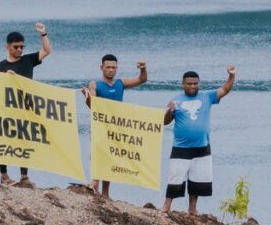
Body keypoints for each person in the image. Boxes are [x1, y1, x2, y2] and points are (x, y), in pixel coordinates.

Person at [162, 66, 236, 215]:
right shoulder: (176, 100)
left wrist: (231, 76)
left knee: (198, 179)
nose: (192, 86)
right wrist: (169, 111)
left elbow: (224, 90)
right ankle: (166, 206)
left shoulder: (207, 96)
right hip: (180, 147)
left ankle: (192, 208)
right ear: (183, 84)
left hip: (201, 146)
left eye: (195, 83)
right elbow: (165, 122)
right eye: (189, 84)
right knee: (175, 177)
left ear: (199, 84)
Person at [0, 22, 52, 186]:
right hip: (7, 109)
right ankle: (4, 175)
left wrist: (43, 33)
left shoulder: (28, 60)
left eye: (22, 47)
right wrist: (8, 77)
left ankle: (24, 176)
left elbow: (47, 51)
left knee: (24, 141)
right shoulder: (1, 66)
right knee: (4, 141)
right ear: (7, 47)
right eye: (16, 47)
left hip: (26, 108)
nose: (20, 50)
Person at [81, 54, 147, 198]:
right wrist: (87, 97)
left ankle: (105, 193)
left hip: (117, 127)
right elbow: (93, 105)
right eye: (108, 67)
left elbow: (142, 80)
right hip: (100, 126)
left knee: (110, 158)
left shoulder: (120, 83)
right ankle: (94, 182)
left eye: (113, 68)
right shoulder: (95, 84)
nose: (111, 70)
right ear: (102, 68)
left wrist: (143, 69)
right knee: (98, 154)